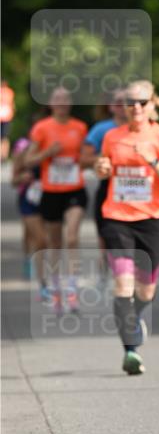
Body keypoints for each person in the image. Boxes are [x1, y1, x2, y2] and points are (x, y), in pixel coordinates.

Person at [94, 80, 159, 375]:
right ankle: (130, 350)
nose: (135, 107)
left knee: (145, 291)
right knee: (123, 285)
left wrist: (153, 161)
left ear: (152, 104)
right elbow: (103, 168)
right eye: (129, 102)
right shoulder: (112, 136)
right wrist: (101, 169)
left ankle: (135, 316)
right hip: (116, 217)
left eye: (142, 101)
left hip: (150, 220)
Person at [24, 87, 88, 313]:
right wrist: (47, 153)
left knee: (72, 237)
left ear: (71, 103)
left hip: (75, 189)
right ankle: (55, 287)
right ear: (50, 104)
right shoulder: (42, 128)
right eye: (57, 99)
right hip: (51, 191)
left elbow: (86, 157)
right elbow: (28, 160)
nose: (62, 103)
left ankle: (72, 287)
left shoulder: (80, 127)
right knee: (54, 243)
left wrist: (84, 160)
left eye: (66, 99)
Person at [81, 88, 127, 282]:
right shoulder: (102, 129)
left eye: (126, 101)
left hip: (135, 190)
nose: (122, 105)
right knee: (106, 235)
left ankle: (127, 272)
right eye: (117, 102)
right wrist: (105, 158)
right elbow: (83, 159)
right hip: (108, 187)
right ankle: (106, 267)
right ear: (110, 106)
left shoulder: (140, 127)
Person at [11, 122, 47, 287]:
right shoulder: (23, 150)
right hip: (28, 199)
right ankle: (30, 262)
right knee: (35, 236)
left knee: (44, 238)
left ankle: (42, 272)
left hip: (48, 198)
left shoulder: (49, 149)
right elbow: (13, 181)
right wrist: (22, 178)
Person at [1, 80, 16, 162]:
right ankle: (3, 155)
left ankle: (3, 155)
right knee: (4, 137)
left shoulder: (8, 92)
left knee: (4, 137)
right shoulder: (10, 92)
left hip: (6, 117)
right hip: (7, 116)